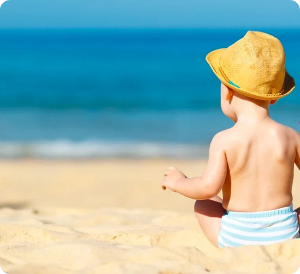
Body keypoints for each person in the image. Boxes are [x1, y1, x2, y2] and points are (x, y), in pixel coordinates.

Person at [161, 31, 300, 248]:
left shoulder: (224, 140)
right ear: (274, 97)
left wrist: (178, 182)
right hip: (285, 233)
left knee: (204, 204)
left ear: (227, 92)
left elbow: (207, 187)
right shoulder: (290, 136)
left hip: (237, 237)